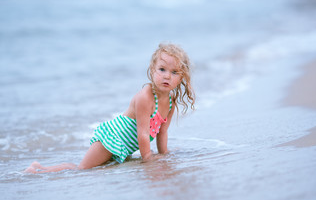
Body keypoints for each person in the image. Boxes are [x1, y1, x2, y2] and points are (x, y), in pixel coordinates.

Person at [25, 43, 195, 173]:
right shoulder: (146, 96)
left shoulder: (171, 102)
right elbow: (143, 133)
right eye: (162, 69)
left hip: (124, 146)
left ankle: (40, 168)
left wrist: (164, 154)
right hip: (111, 139)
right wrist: (148, 158)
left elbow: (162, 132)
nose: (167, 75)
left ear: (182, 78)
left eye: (174, 72)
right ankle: (39, 169)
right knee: (81, 169)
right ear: (152, 70)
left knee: (99, 170)